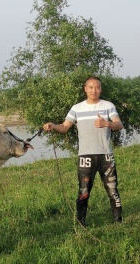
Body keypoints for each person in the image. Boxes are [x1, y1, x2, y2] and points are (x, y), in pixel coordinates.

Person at [43, 76, 123, 226]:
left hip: (106, 156)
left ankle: (118, 222)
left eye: (97, 87)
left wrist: (107, 123)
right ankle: (81, 224)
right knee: (83, 192)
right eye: (91, 87)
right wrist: (52, 125)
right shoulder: (77, 108)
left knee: (112, 190)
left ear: (101, 89)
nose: (94, 90)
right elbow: (65, 127)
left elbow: (119, 124)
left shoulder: (108, 106)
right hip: (85, 156)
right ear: (85, 89)